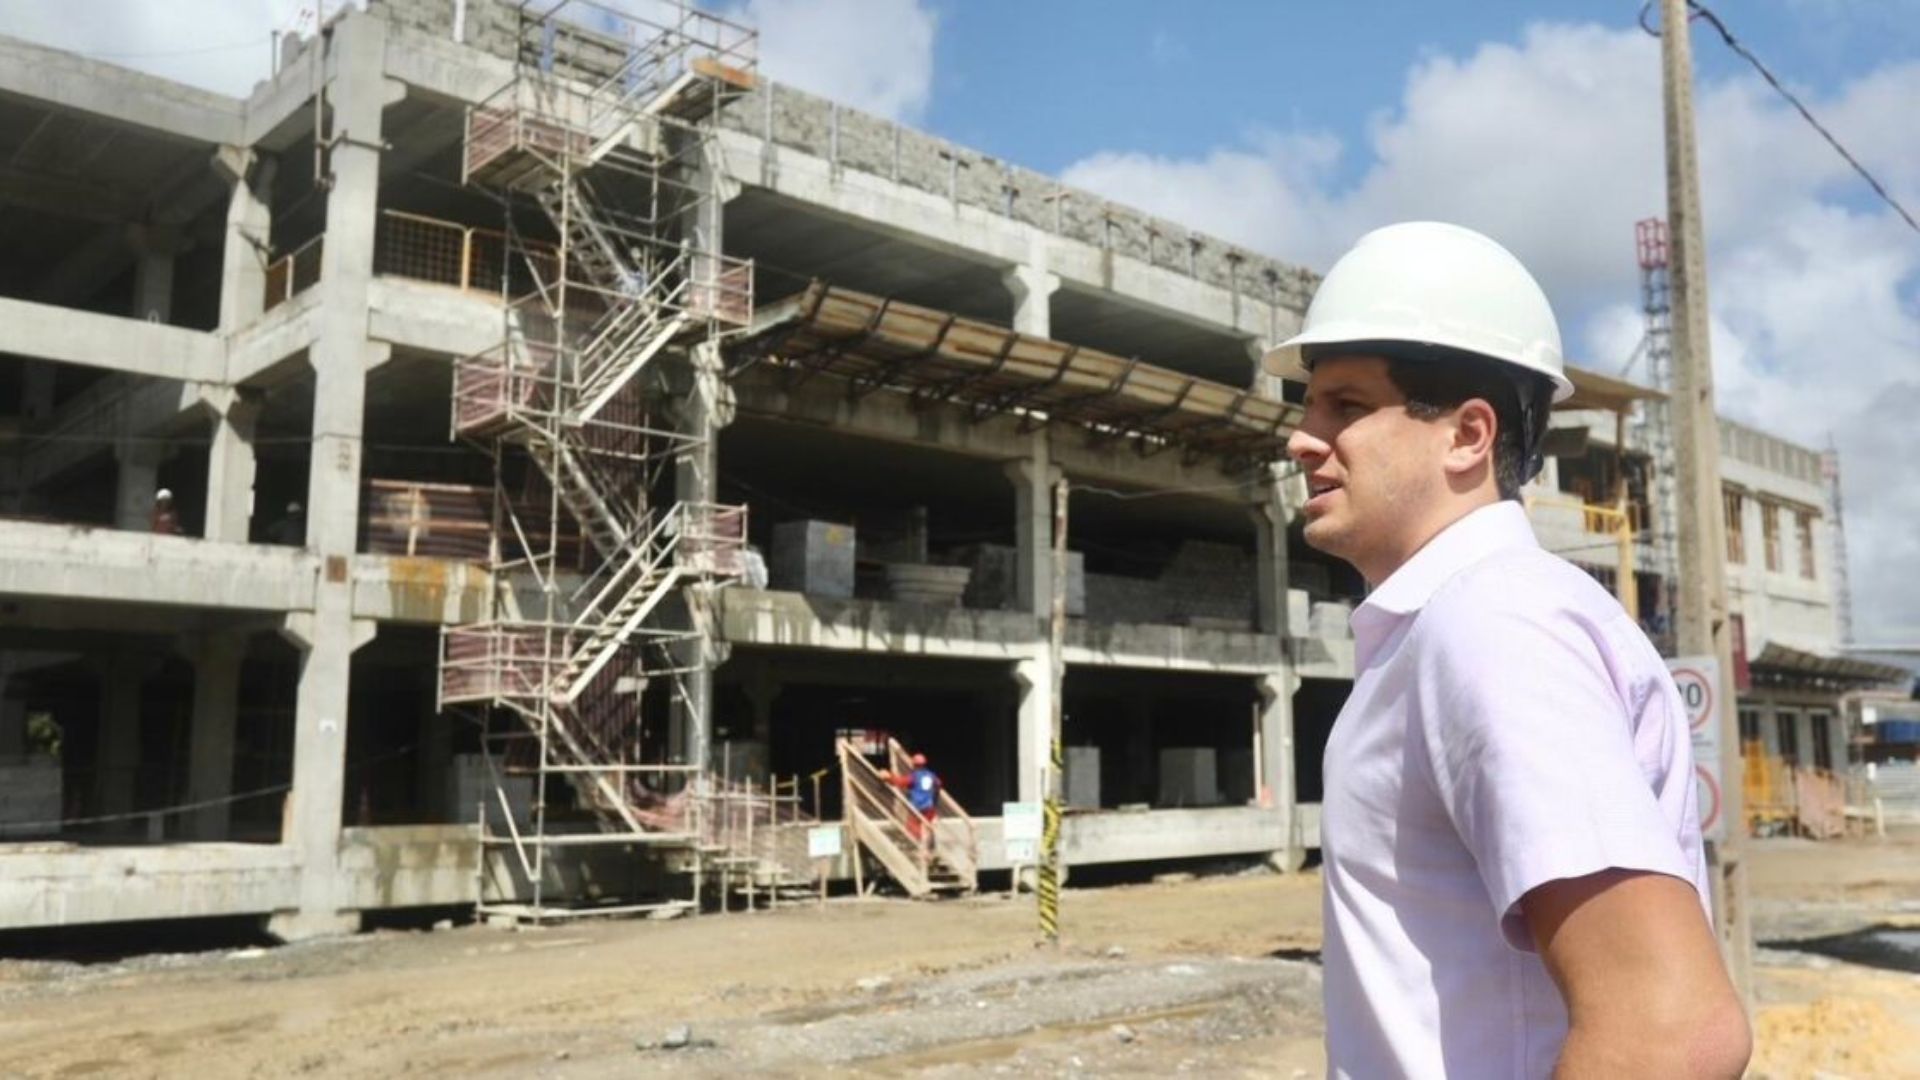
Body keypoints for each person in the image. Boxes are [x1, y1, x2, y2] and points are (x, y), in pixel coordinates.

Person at [1267, 222, 1749, 1078]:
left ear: (1467, 436)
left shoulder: (1494, 624)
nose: (1303, 438)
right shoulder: (1451, 627)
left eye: (1344, 405)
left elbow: (1669, 1034)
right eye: (1307, 406)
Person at [883, 752, 940, 845]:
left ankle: (920, 847)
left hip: (918, 808)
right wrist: (934, 798)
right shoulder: (931, 775)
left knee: (911, 828)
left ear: (914, 765)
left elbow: (900, 782)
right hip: (929, 807)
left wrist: (888, 777)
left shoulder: (914, 776)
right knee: (928, 828)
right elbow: (938, 784)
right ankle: (930, 847)